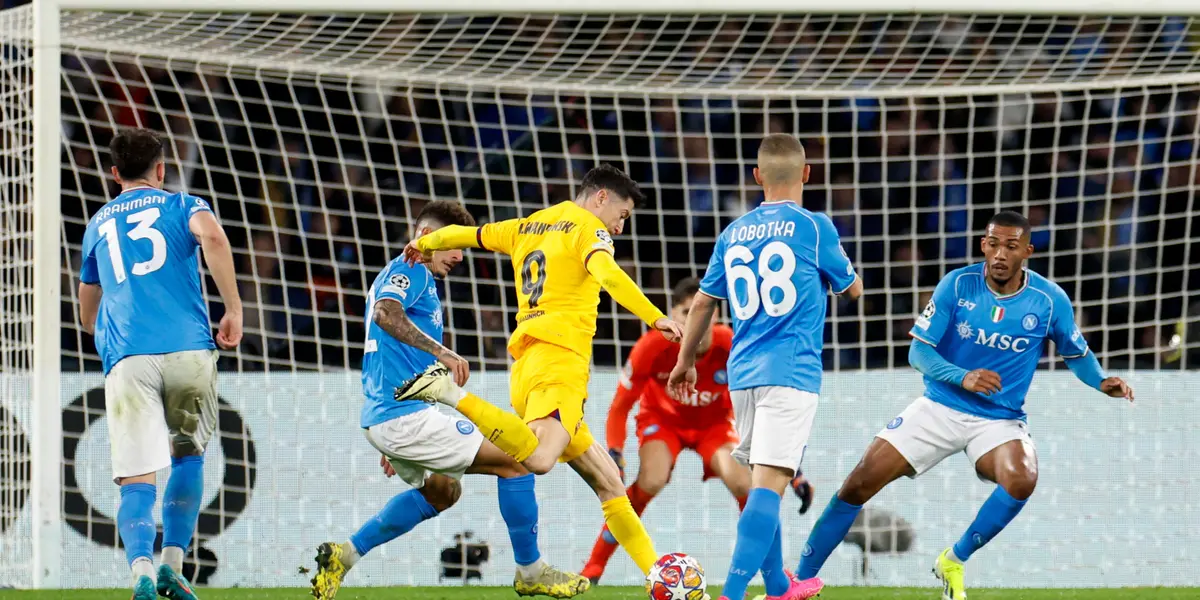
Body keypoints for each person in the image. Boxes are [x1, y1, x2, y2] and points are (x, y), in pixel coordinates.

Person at [794, 211, 1134, 600]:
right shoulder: (957, 286)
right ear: (983, 246)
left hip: (998, 420)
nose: (1000, 254)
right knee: (856, 487)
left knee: (1022, 477)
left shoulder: (1048, 300)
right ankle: (798, 583)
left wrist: (1102, 381)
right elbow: (918, 352)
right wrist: (963, 375)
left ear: (1028, 251)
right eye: (993, 244)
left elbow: (1077, 354)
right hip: (939, 406)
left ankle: (953, 559)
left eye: (1011, 246)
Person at [399, 164, 684, 576]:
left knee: (610, 484)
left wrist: (428, 242)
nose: (620, 228)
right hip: (560, 364)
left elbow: (472, 235)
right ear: (601, 197)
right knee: (540, 458)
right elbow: (607, 273)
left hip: (527, 368)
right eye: (622, 215)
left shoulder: (531, 225)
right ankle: (449, 393)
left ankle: (659, 576)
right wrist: (654, 316)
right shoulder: (589, 228)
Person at [309, 201, 588, 600]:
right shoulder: (412, 268)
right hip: (401, 415)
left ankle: (344, 556)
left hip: (389, 415)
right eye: (453, 244)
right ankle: (532, 571)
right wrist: (443, 353)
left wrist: (395, 434)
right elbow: (386, 315)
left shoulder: (403, 274)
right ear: (426, 237)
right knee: (519, 459)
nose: (459, 255)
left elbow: (388, 343)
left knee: (442, 492)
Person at [669, 133, 863, 600]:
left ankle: (778, 586)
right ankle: (732, 595)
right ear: (807, 174)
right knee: (769, 487)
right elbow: (852, 290)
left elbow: (701, 303)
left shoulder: (732, 232)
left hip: (743, 373)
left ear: (757, 177)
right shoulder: (815, 227)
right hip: (791, 371)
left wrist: (684, 361)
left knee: (763, 480)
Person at [78, 128, 243, 600]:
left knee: (136, 478)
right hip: (189, 348)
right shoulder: (184, 205)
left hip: (129, 356)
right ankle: (174, 562)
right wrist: (232, 307)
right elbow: (212, 236)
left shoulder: (98, 224)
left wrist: (104, 333)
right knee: (188, 454)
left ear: (114, 174)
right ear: (162, 169)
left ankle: (143, 574)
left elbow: (87, 305)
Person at [581, 276, 749, 582]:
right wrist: (616, 452)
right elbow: (619, 407)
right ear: (672, 315)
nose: (697, 319)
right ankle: (593, 567)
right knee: (652, 479)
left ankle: (772, 572)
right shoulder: (651, 346)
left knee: (744, 484)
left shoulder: (731, 345)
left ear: (718, 317)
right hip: (663, 422)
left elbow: (755, 401)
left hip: (714, 426)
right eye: (687, 312)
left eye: (706, 312)